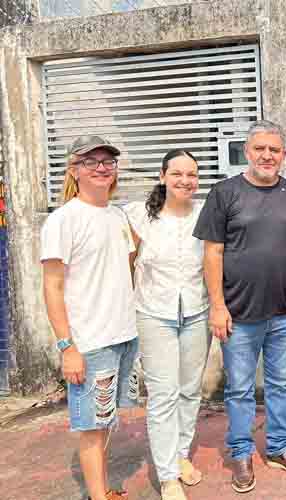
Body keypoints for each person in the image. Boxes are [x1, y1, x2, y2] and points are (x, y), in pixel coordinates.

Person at [193, 120, 286, 493]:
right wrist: (217, 305)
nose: (266, 156)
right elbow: (212, 252)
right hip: (238, 314)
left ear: (283, 155)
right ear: (247, 152)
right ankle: (242, 452)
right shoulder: (224, 193)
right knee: (240, 389)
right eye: (259, 148)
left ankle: (279, 446)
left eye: (273, 150)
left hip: (283, 312)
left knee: (281, 385)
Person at [41, 136, 138, 500]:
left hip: (123, 335)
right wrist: (67, 346)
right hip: (90, 342)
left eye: (108, 161)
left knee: (106, 419)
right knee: (92, 428)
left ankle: (103, 491)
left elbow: (124, 269)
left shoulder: (118, 216)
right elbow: (51, 287)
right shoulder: (63, 220)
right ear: (74, 170)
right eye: (91, 161)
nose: (101, 167)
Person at [124, 150, 209, 500]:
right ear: (162, 176)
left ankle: (180, 454)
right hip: (153, 313)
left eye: (192, 174)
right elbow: (126, 265)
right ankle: (168, 476)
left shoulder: (206, 215)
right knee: (163, 395)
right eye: (177, 174)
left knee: (190, 391)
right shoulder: (136, 217)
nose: (185, 181)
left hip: (196, 311)